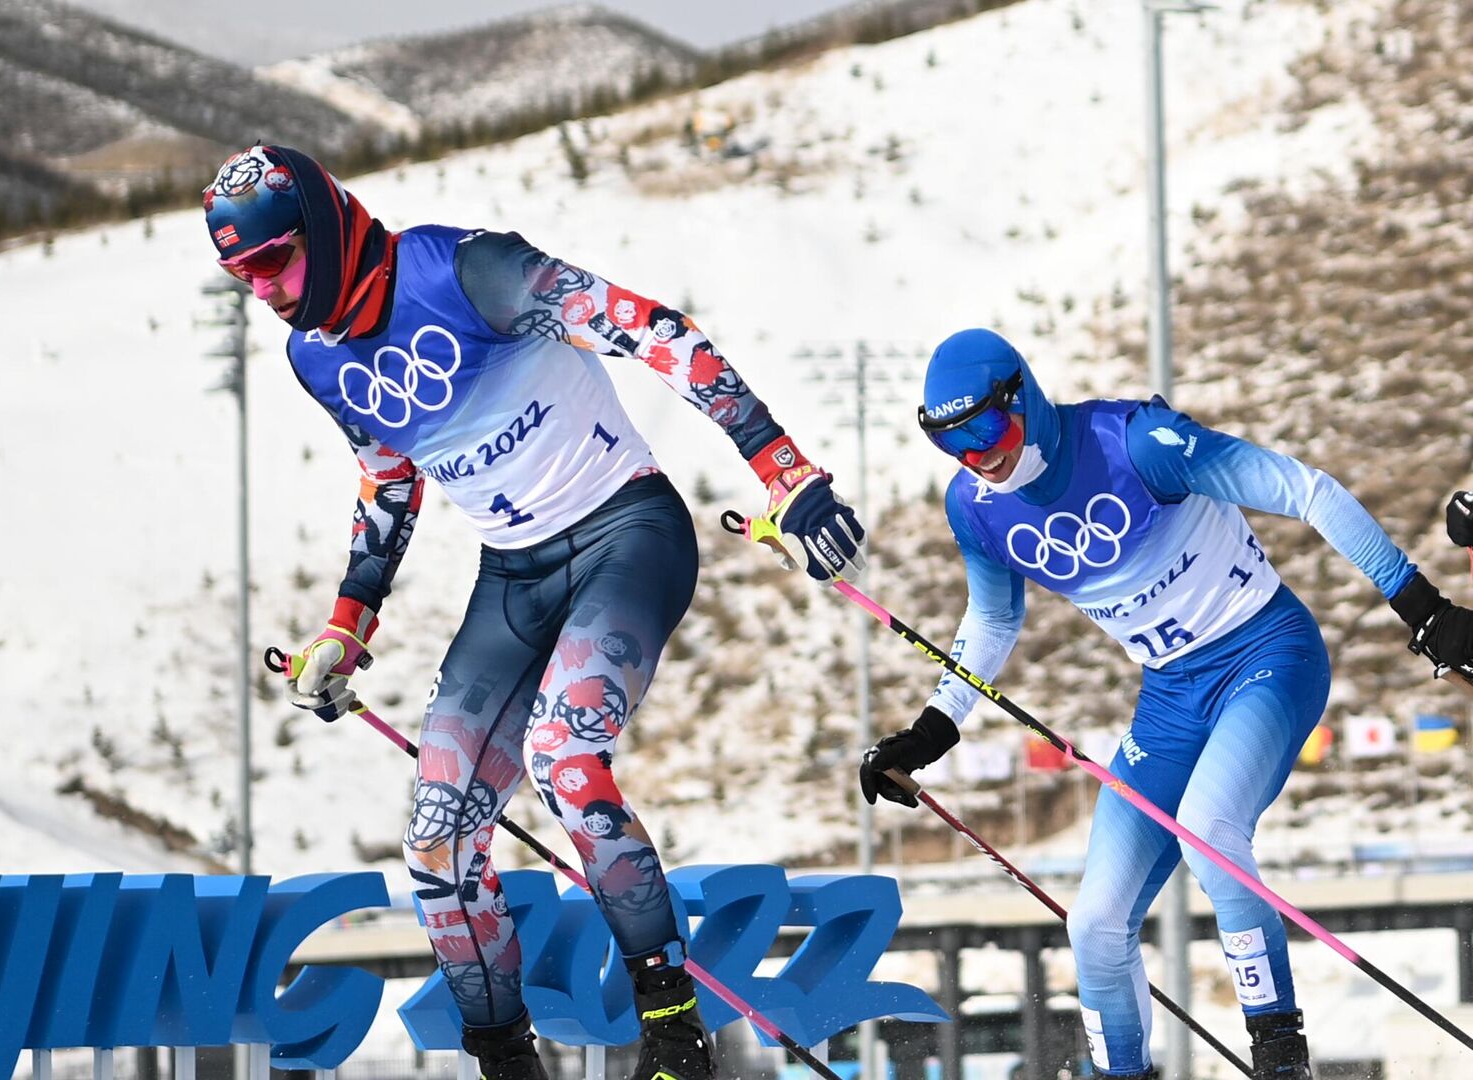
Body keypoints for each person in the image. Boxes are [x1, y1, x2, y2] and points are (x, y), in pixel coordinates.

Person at [202, 145, 866, 1080]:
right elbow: (389, 474)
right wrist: (348, 624)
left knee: (564, 759)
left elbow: (659, 332)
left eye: (273, 262)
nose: (263, 291)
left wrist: (785, 471)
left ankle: (675, 1034)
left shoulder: (466, 271)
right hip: (512, 579)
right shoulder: (314, 357)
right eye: (240, 276)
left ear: (323, 223)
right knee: (437, 844)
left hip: (625, 533)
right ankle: (507, 1063)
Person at [855, 329, 1473, 1080]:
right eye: (951, 442)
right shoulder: (977, 507)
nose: (978, 455)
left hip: (1267, 656)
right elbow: (992, 620)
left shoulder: (1135, 443)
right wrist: (932, 730)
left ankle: (1281, 1059)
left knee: (1209, 831)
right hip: (1172, 699)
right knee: (1094, 921)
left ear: (1024, 397)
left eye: (987, 428)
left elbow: (1305, 490)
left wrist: (1424, 608)